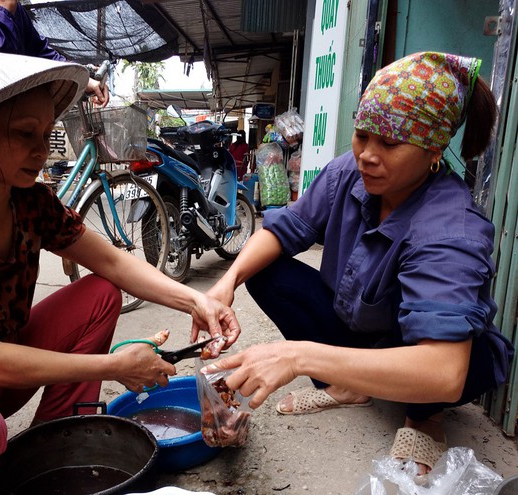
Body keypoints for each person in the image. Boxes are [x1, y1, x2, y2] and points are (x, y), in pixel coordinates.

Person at [0, 47, 240, 495]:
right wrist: (117, 365)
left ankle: (56, 453)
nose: (41, 151)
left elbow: (113, 262)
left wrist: (199, 300)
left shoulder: (30, 202)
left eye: (46, 134)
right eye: (24, 134)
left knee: (99, 294)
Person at [203, 52, 513, 477]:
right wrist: (227, 282)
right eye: (362, 135)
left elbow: (443, 371)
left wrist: (299, 357)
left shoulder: (450, 227)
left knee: (457, 358)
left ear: (433, 150)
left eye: (388, 143)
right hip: (359, 327)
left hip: (422, 353)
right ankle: (346, 384)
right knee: (264, 268)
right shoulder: (349, 172)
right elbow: (287, 227)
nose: (367, 155)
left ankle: (424, 418)